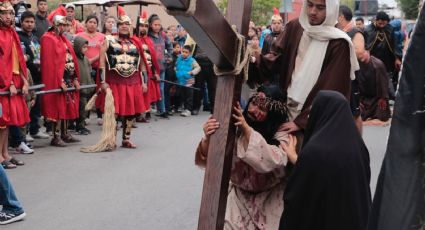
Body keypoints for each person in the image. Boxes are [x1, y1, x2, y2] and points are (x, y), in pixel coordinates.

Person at [196, 85, 297, 229]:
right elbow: (207, 160)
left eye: (262, 109)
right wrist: (208, 138)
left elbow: (274, 160)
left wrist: (247, 130)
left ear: (273, 116)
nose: (252, 110)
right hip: (238, 198)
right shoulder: (234, 127)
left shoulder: (283, 135)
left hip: (270, 201)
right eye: (253, 103)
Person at [256, 0, 359, 134]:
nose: (312, 12)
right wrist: (253, 61)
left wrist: (302, 121)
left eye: (320, 7)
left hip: (316, 118)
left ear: (331, 10)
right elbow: (275, 58)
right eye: (310, 5)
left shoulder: (339, 42)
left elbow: (332, 87)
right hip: (286, 107)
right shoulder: (295, 27)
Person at [279, 90, 371, 230]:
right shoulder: (358, 147)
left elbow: (298, 198)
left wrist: (299, 162)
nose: (309, 117)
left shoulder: (314, 151)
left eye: (312, 112)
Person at [99, 9, 148, 148]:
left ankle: (126, 138)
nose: (124, 26)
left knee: (130, 112)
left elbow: (142, 64)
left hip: (133, 82)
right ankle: (111, 139)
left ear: (131, 26)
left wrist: (144, 82)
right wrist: (103, 82)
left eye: (127, 24)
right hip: (114, 81)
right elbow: (102, 62)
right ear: (117, 26)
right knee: (113, 112)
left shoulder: (136, 43)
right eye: (121, 24)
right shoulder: (108, 40)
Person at [41, 15, 81, 147]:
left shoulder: (63, 39)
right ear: (54, 24)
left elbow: (70, 58)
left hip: (68, 77)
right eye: (60, 25)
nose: (62, 27)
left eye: (64, 25)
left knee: (67, 106)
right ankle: (56, 136)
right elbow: (50, 64)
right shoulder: (48, 38)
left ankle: (64, 133)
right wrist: (59, 80)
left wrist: (74, 78)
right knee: (57, 107)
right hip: (57, 79)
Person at [0, 0, 29, 168]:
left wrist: (24, 80)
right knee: (2, 122)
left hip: (15, 80)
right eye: (4, 13)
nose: (8, 16)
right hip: (3, 82)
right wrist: (8, 82)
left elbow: (18, 60)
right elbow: (1, 62)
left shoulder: (11, 32)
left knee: (8, 122)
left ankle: (5, 154)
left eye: (11, 13)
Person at [17, 11, 49, 141]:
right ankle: (25, 132)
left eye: (31, 22)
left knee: (37, 105)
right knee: (27, 105)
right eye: (27, 22)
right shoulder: (18, 37)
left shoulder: (35, 38)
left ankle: (35, 129)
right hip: (25, 76)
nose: (29, 24)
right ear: (21, 22)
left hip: (38, 75)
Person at [337, 5, 367, 133]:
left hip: (351, 79)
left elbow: (360, 53)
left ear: (341, 17)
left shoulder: (355, 32)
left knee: (354, 113)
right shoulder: (341, 32)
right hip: (341, 77)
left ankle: (358, 147)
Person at [364, 11, 402, 99]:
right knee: (373, 79)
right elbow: (366, 45)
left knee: (387, 78)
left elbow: (395, 44)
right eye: (380, 22)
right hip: (373, 59)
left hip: (387, 59)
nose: (382, 24)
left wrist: (397, 58)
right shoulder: (368, 30)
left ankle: (391, 97)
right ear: (376, 20)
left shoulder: (390, 29)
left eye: (384, 22)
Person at [134, 11, 161, 122]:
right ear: (137, 26)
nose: (143, 28)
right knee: (138, 93)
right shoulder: (134, 39)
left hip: (148, 70)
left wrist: (155, 72)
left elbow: (153, 59)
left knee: (147, 93)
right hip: (137, 72)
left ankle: (145, 112)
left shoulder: (149, 40)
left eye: (145, 25)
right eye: (141, 25)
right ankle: (137, 114)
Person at [148, 14, 173, 118]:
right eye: (155, 24)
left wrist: (168, 57)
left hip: (162, 66)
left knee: (161, 89)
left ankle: (161, 110)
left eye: (159, 24)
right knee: (150, 88)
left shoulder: (163, 35)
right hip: (150, 67)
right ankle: (146, 110)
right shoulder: (147, 36)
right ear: (150, 25)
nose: (157, 26)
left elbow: (170, 46)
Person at [358, 51, 391, 123]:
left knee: (382, 115)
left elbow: (384, 82)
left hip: (378, 98)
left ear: (368, 52)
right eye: (360, 54)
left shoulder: (378, 65)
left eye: (363, 53)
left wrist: (383, 98)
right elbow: (355, 83)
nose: (362, 56)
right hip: (364, 98)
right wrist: (358, 100)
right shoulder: (357, 64)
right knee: (358, 115)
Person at [74, 36, 95, 135]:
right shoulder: (74, 59)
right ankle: (80, 126)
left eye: (86, 47)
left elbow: (89, 71)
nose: (85, 49)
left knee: (85, 108)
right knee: (81, 108)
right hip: (80, 87)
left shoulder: (86, 59)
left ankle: (81, 124)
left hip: (87, 86)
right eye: (83, 47)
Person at [175, 45, 201, 117]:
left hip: (189, 81)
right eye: (183, 51)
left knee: (189, 95)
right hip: (180, 80)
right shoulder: (179, 58)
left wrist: (192, 72)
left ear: (189, 53)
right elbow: (176, 65)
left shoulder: (192, 60)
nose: (184, 53)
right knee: (182, 95)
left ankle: (188, 109)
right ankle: (183, 108)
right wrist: (176, 70)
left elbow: (198, 68)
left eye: (186, 52)